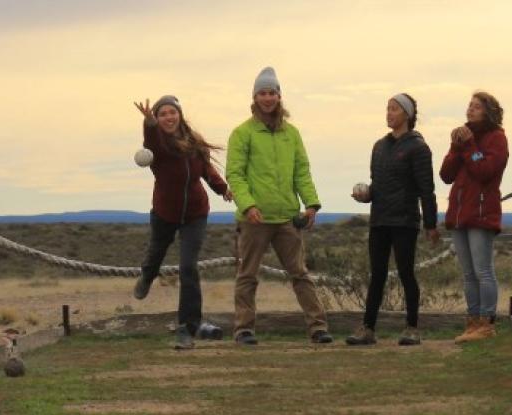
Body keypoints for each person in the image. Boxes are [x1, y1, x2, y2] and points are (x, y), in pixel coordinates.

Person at [226, 66, 333, 345]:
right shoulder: (242, 133)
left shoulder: (292, 134)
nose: (268, 98)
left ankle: (318, 327)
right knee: (247, 275)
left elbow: (302, 171)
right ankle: (244, 329)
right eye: (262, 93)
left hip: (287, 216)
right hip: (254, 219)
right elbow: (235, 175)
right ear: (254, 97)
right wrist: (248, 205)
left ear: (279, 96)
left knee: (300, 274)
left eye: (272, 92)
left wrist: (311, 204)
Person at [132, 95, 232, 349]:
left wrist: (222, 189)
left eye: (171, 112)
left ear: (179, 115)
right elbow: (151, 140)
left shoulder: (195, 144)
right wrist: (149, 123)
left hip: (195, 214)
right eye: (162, 114)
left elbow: (207, 171)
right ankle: (146, 276)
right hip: (165, 213)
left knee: (188, 268)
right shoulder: (158, 148)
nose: (168, 117)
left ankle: (187, 328)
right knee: (155, 255)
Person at [346, 93, 439, 346]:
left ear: (407, 115)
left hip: (405, 221)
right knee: (377, 274)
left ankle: (412, 328)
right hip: (380, 220)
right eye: (387, 108)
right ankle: (367, 328)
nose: (389, 113)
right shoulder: (379, 146)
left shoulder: (419, 148)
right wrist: (365, 196)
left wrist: (430, 224)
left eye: (395, 109)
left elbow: (426, 190)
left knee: (406, 273)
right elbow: (378, 185)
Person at [439, 90, 509, 343]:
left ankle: (486, 323)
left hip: (481, 213)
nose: (470, 110)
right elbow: (446, 174)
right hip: (459, 213)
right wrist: (456, 147)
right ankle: (472, 321)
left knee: (483, 271)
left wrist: (468, 146)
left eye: (477, 106)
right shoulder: (463, 139)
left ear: (489, 111)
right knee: (468, 273)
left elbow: (484, 170)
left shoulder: (497, 138)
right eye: (469, 105)